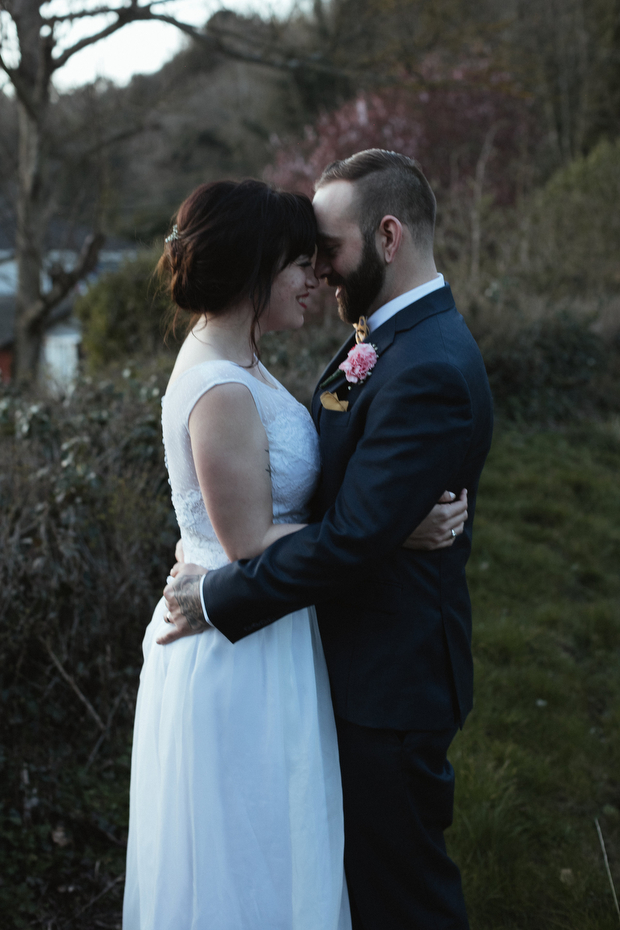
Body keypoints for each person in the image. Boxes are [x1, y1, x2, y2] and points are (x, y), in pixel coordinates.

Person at [163, 150, 494, 930]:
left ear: (386, 236)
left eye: (329, 249)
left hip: (391, 678)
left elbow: (348, 538)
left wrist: (219, 595)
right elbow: (336, 491)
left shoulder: (427, 365)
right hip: (332, 656)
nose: (319, 270)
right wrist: (386, 525)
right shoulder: (375, 342)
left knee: (402, 893)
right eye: (303, 257)